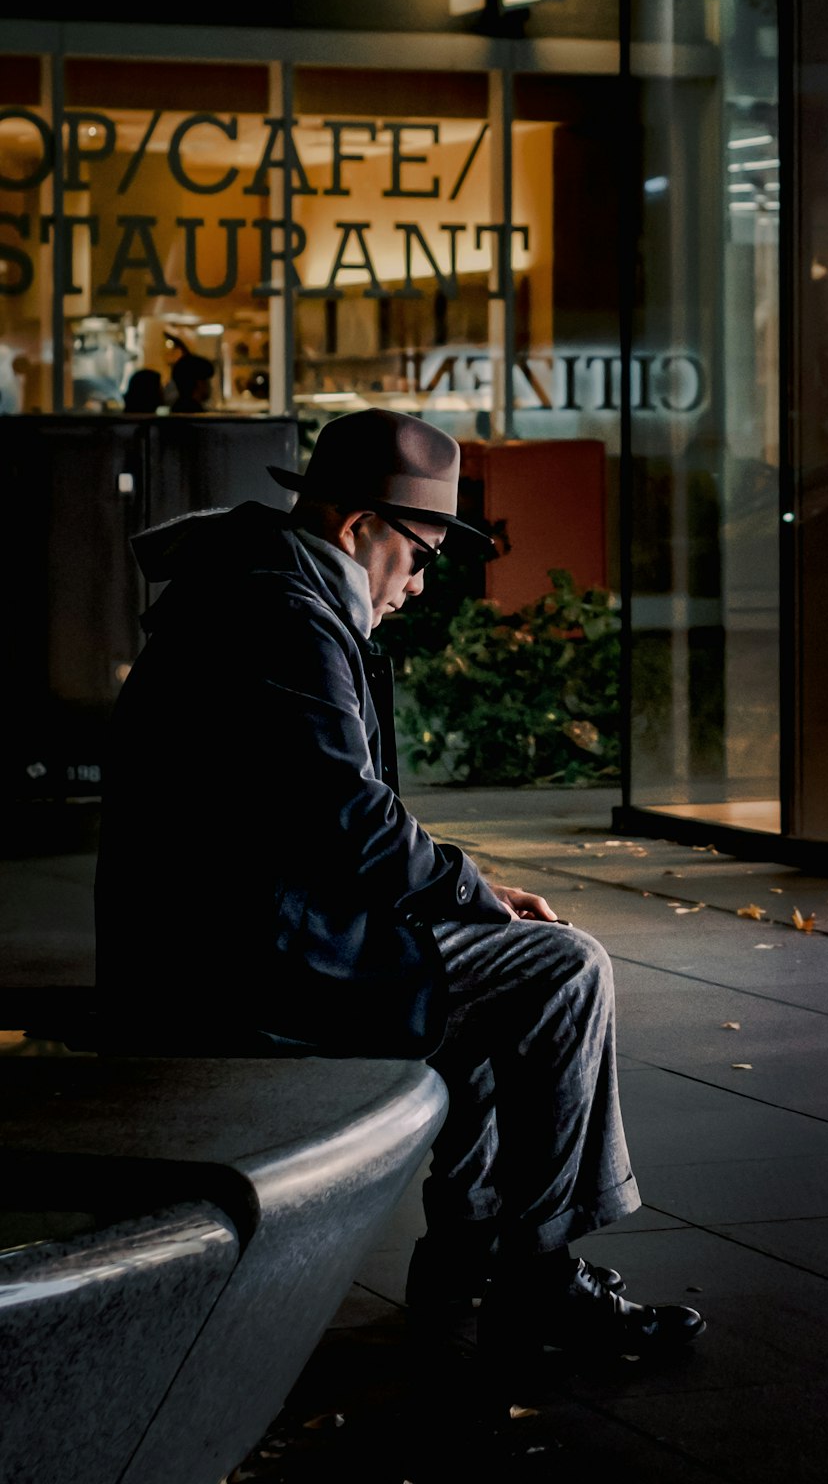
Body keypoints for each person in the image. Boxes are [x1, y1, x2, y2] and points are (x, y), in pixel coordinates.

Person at [94, 408, 703, 1374]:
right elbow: (349, 817)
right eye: (418, 555)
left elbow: (327, 818)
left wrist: (463, 890)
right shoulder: (281, 617)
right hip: (255, 965)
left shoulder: (258, 591)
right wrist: (471, 890)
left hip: (228, 939)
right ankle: (535, 1274)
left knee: (495, 977)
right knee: (563, 972)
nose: (418, 586)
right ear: (353, 530)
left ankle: (469, 1250)